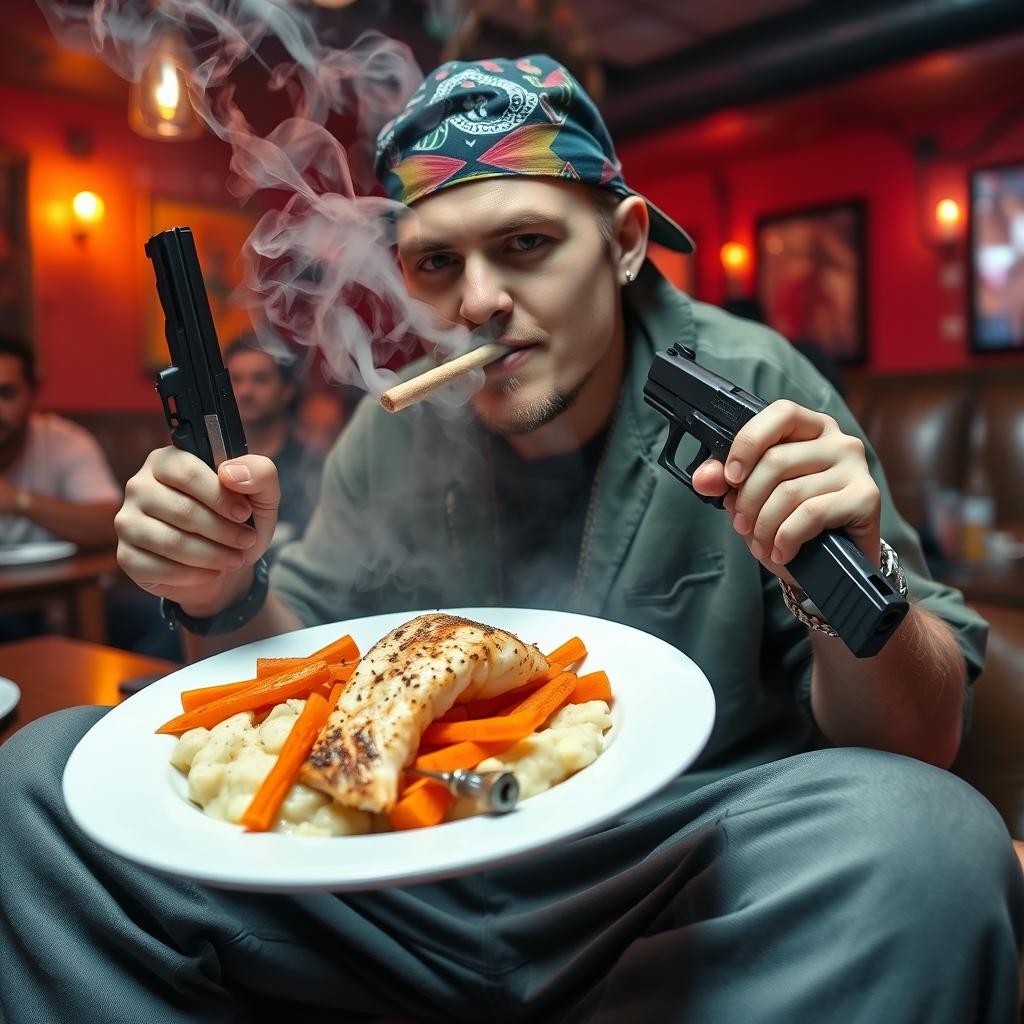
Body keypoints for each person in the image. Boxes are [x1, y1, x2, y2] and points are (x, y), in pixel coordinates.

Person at [2, 55, 1022, 1024]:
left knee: (924, 839)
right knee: (37, 779)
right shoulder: (392, 430)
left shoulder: (751, 384)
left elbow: (919, 741)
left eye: (525, 245)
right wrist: (222, 585)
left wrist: (847, 579)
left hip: (672, 875)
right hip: (411, 872)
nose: (479, 300)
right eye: (436, 263)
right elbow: (282, 675)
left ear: (624, 242)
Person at [0, 337, 120, 550]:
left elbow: (111, 526)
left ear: (32, 393)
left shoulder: (68, 442)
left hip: (61, 581)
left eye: (6, 394)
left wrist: (19, 500)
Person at [224, 335, 322, 551]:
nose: (245, 391)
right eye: (235, 380)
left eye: (260, 379)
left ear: (287, 389)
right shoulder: (212, 464)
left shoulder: (314, 465)